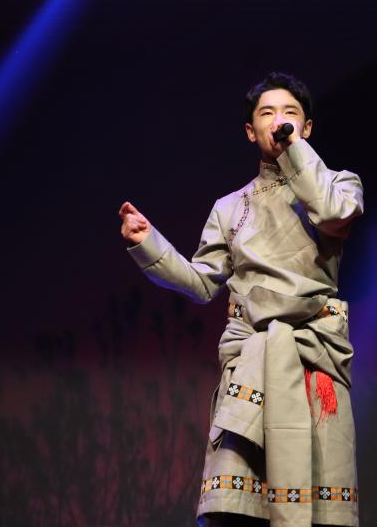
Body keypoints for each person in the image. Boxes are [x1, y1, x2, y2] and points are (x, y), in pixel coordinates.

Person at [119, 72, 363, 527]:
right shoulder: (230, 207)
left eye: (290, 113)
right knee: (236, 512)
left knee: (318, 509)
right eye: (267, 114)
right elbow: (202, 283)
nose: (279, 121)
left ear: (307, 127)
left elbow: (333, 215)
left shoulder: (340, 184)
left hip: (312, 361)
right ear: (251, 131)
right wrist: (149, 243)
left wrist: (294, 152)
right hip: (252, 364)